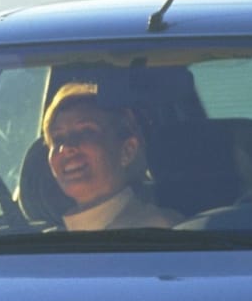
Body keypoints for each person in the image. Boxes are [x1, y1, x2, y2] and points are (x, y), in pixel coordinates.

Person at [41, 82, 178, 231]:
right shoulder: (37, 243)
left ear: (127, 150)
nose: (66, 147)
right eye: (57, 139)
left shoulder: (161, 231)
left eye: (86, 131)